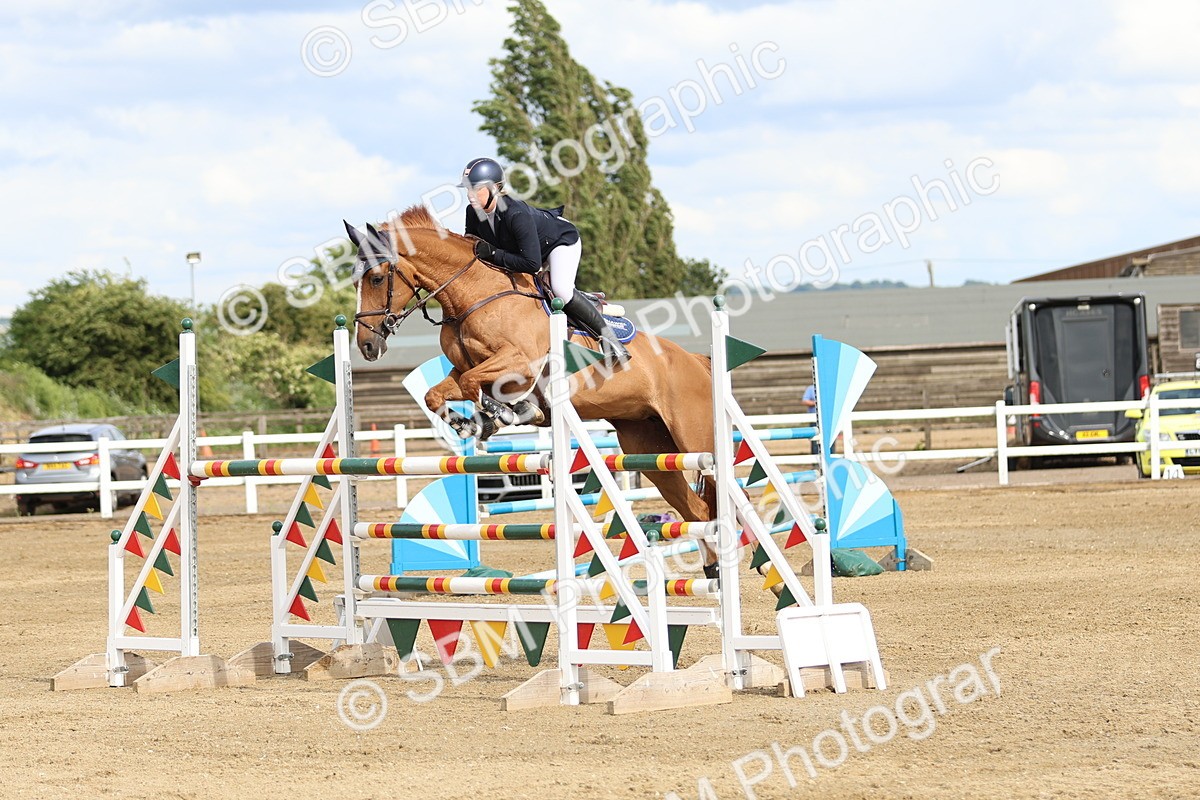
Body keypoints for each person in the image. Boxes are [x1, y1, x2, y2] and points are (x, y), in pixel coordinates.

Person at [459, 157, 629, 362]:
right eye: (467, 189)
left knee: (561, 289)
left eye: (476, 189)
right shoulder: (472, 211)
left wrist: (494, 254)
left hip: (559, 242)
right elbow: (472, 243)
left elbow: (531, 264)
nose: (470, 195)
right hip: (526, 250)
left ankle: (611, 341)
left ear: (495, 188)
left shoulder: (516, 213)